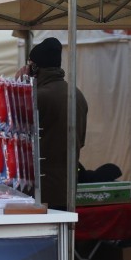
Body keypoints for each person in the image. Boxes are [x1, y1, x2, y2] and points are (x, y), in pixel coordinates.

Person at [25, 37, 88, 210]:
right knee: (63, 234)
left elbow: (2, 122)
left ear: (35, 68)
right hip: (67, 185)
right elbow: (80, 141)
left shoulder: (38, 96)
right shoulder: (77, 94)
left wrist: (18, 86)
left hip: (40, 187)